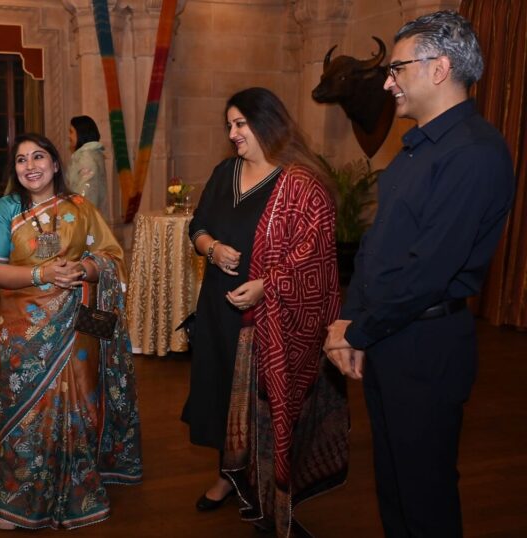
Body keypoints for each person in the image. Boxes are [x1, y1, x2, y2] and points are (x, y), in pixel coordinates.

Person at [324, 11, 514, 538]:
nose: (388, 83)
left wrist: (356, 331)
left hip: (428, 347)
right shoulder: (414, 152)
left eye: (397, 69)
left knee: (425, 494)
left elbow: (427, 272)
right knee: (393, 484)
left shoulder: (475, 154)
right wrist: (350, 321)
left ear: (439, 68)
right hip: (389, 336)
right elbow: (376, 252)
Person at [183, 87, 348, 534]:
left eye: (241, 124)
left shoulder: (299, 183)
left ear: (267, 124)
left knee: (262, 406)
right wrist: (211, 248)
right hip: (219, 306)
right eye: (230, 125)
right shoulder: (224, 173)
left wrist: (266, 286)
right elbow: (197, 226)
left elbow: (313, 258)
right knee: (221, 396)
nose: (232, 133)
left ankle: (263, 484)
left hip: (269, 320)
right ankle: (226, 476)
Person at [0, 132, 141, 530]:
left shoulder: (80, 208)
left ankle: (78, 487)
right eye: (21, 160)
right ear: (15, 169)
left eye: (38, 157)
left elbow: (111, 255)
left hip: (76, 327)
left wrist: (83, 269)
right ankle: (17, 498)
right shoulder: (5, 209)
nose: (30, 166)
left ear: (55, 164)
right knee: (24, 410)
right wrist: (41, 272)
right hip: (23, 330)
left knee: (81, 407)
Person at [67, 115, 109, 220]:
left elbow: (86, 192)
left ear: (80, 133)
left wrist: (71, 217)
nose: (69, 136)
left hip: (84, 217)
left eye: (71, 132)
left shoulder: (86, 157)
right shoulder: (92, 153)